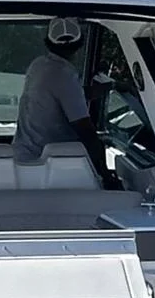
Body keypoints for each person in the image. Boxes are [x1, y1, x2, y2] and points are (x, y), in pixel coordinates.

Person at [11, 16, 113, 184]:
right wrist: (104, 175)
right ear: (80, 44)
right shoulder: (65, 75)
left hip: (22, 159)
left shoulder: (38, 66)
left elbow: (62, 96)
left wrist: (97, 91)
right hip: (49, 165)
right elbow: (85, 129)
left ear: (47, 43)